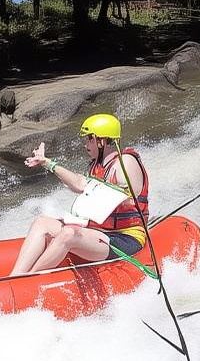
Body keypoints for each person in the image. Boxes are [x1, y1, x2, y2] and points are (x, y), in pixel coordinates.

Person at [9, 113, 149, 276]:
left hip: (125, 237)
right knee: (42, 222)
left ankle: (28, 279)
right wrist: (47, 163)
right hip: (98, 232)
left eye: (89, 139)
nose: (85, 144)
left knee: (69, 233)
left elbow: (129, 196)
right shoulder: (96, 165)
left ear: (102, 141)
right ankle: (14, 277)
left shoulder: (126, 162)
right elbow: (79, 183)